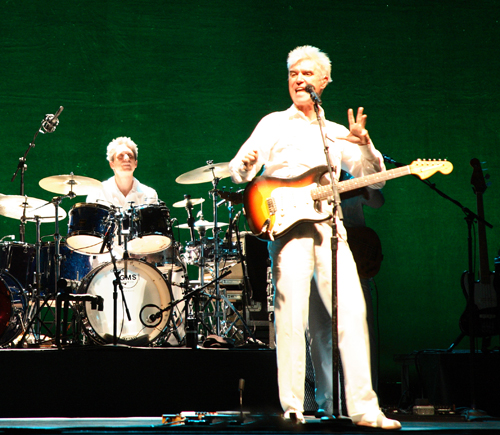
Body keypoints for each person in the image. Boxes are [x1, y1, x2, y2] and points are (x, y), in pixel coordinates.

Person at [228, 46, 400, 429]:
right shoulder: (273, 122)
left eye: (307, 73)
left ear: (324, 81)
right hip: (288, 229)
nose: (299, 80)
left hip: (331, 227)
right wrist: (243, 164)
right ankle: (292, 407)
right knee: (291, 315)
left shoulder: (337, 132)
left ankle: (364, 409)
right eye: (293, 74)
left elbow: (377, 180)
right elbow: (241, 170)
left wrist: (365, 145)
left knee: (352, 311)